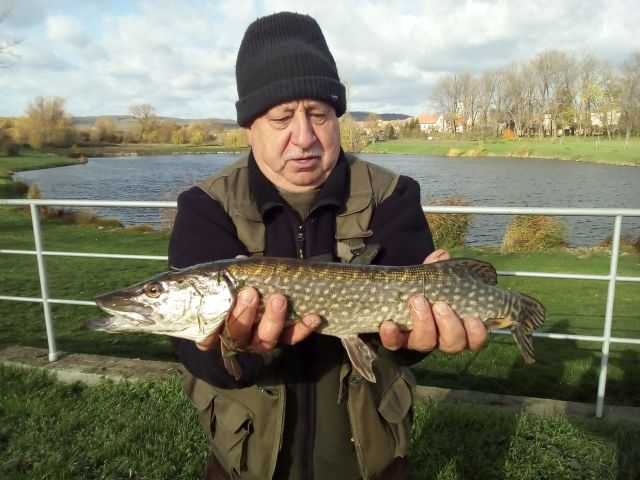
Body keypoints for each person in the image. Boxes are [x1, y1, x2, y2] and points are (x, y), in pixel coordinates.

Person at [168, 11, 487, 480]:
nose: (304, 138)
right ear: (249, 126)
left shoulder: (392, 195)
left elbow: (405, 336)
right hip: (247, 462)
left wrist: (415, 343)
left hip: (370, 462)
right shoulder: (205, 207)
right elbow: (199, 357)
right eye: (281, 117)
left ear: (337, 118)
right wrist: (237, 348)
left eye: (318, 114)